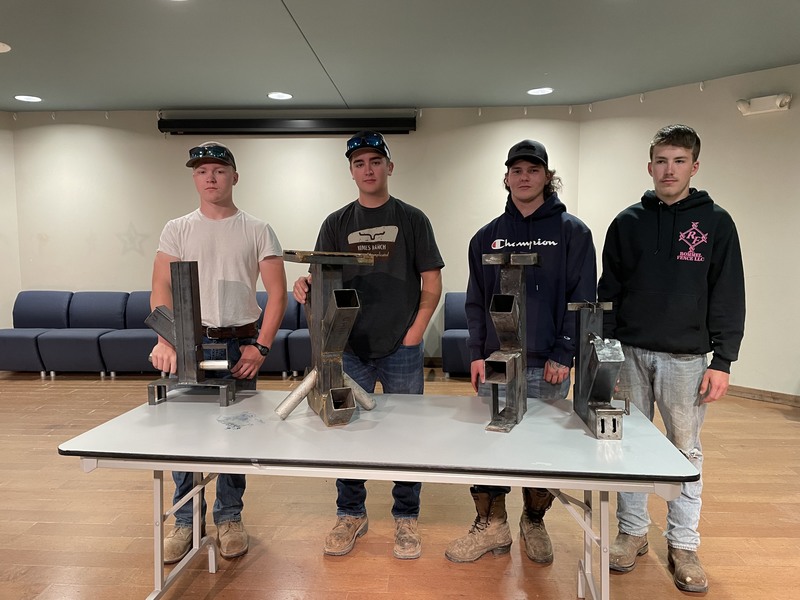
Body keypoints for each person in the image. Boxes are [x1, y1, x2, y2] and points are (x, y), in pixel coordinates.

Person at [597, 124, 745, 593]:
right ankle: (632, 532)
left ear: (694, 167)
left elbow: (728, 293)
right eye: (661, 160)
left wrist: (723, 360)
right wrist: (606, 351)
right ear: (649, 166)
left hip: (686, 359)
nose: (669, 169)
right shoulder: (627, 222)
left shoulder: (716, 224)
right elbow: (609, 293)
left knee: (685, 451)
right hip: (630, 353)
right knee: (628, 446)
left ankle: (683, 543)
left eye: (679, 161)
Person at [292, 131, 444, 560]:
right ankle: (350, 513)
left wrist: (415, 332)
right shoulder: (336, 223)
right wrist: (303, 283)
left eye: (375, 161)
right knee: (346, 432)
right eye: (359, 163)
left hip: (402, 347)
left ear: (389, 167)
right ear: (351, 171)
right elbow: (320, 275)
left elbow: (431, 282)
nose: (368, 169)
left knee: (407, 435)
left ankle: (406, 517)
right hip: (349, 349)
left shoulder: (413, 220)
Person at [445, 140, 596, 564]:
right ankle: (492, 526)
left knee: (541, 452)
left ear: (547, 176)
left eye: (533, 169)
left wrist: (564, 353)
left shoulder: (573, 232)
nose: (524, 176)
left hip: (546, 363)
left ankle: (534, 519)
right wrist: (477, 352)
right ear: (506, 177)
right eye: (516, 170)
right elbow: (476, 299)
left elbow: (581, 297)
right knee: (488, 448)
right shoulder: (487, 237)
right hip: (496, 362)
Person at [150, 141, 288, 564]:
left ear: (235, 176)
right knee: (184, 436)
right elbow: (162, 287)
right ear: (194, 177)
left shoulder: (258, 229)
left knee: (236, 434)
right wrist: (165, 338)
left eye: (219, 170)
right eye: (202, 170)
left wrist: (261, 345)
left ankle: (230, 517)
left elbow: (278, 293)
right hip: (189, 341)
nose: (211, 177)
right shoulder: (177, 228)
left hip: (239, 344)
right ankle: (187, 520)